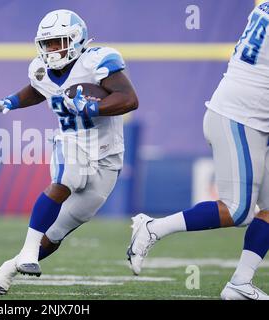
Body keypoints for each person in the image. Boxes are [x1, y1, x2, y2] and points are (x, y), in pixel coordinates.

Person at [0, 9, 138, 295]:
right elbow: (38, 88)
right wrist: (9, 102)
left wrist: (93, 107)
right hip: (71, 140)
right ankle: (28, 251)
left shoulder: (97, 60)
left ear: (76, 40)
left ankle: (8, 269)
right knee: (65, 181)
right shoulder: (40, 68)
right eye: (48, 43)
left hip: (107, 154)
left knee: (55, 233)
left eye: (58, 42)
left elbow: (129, 99)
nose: (52, 49)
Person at [126, 2, 269, 300]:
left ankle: (240, 284)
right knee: (238, 209)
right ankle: (153, 227)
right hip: (239, 118)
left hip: (250, 117)